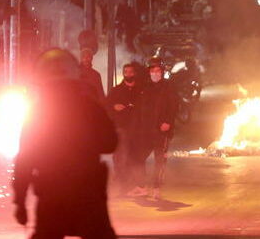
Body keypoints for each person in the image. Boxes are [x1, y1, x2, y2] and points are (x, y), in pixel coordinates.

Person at [12, 48, 118, 239]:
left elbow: (24, 161)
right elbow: (110, 143)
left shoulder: (37, 113)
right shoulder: (89, 107)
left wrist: (20, 203)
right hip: (88, 196)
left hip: (51, 197)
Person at [128, 57, 180, 200]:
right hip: (146, 131)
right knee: (138, 158)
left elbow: (174, 106)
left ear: (162, 72)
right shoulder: (146, 88)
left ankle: (157, 188)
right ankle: (141, 187)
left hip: (161, 131)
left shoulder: (168, 87)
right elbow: (140, 109)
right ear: (149, 72)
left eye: (158, 70)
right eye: (153, 71)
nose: (155, 73)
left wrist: (168, 122)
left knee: (159, 160)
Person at [106, 62, 143, 193]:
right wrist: (114, 107)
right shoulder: (116, 91)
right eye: (126, 72)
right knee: (121, 157)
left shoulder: (141, 90)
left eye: (131, 72)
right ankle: (122, 185)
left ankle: (134, 184)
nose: (128, 74)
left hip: (137, 129)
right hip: (121, 128)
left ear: (135, 73)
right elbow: (107, 107)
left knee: (135, 157)